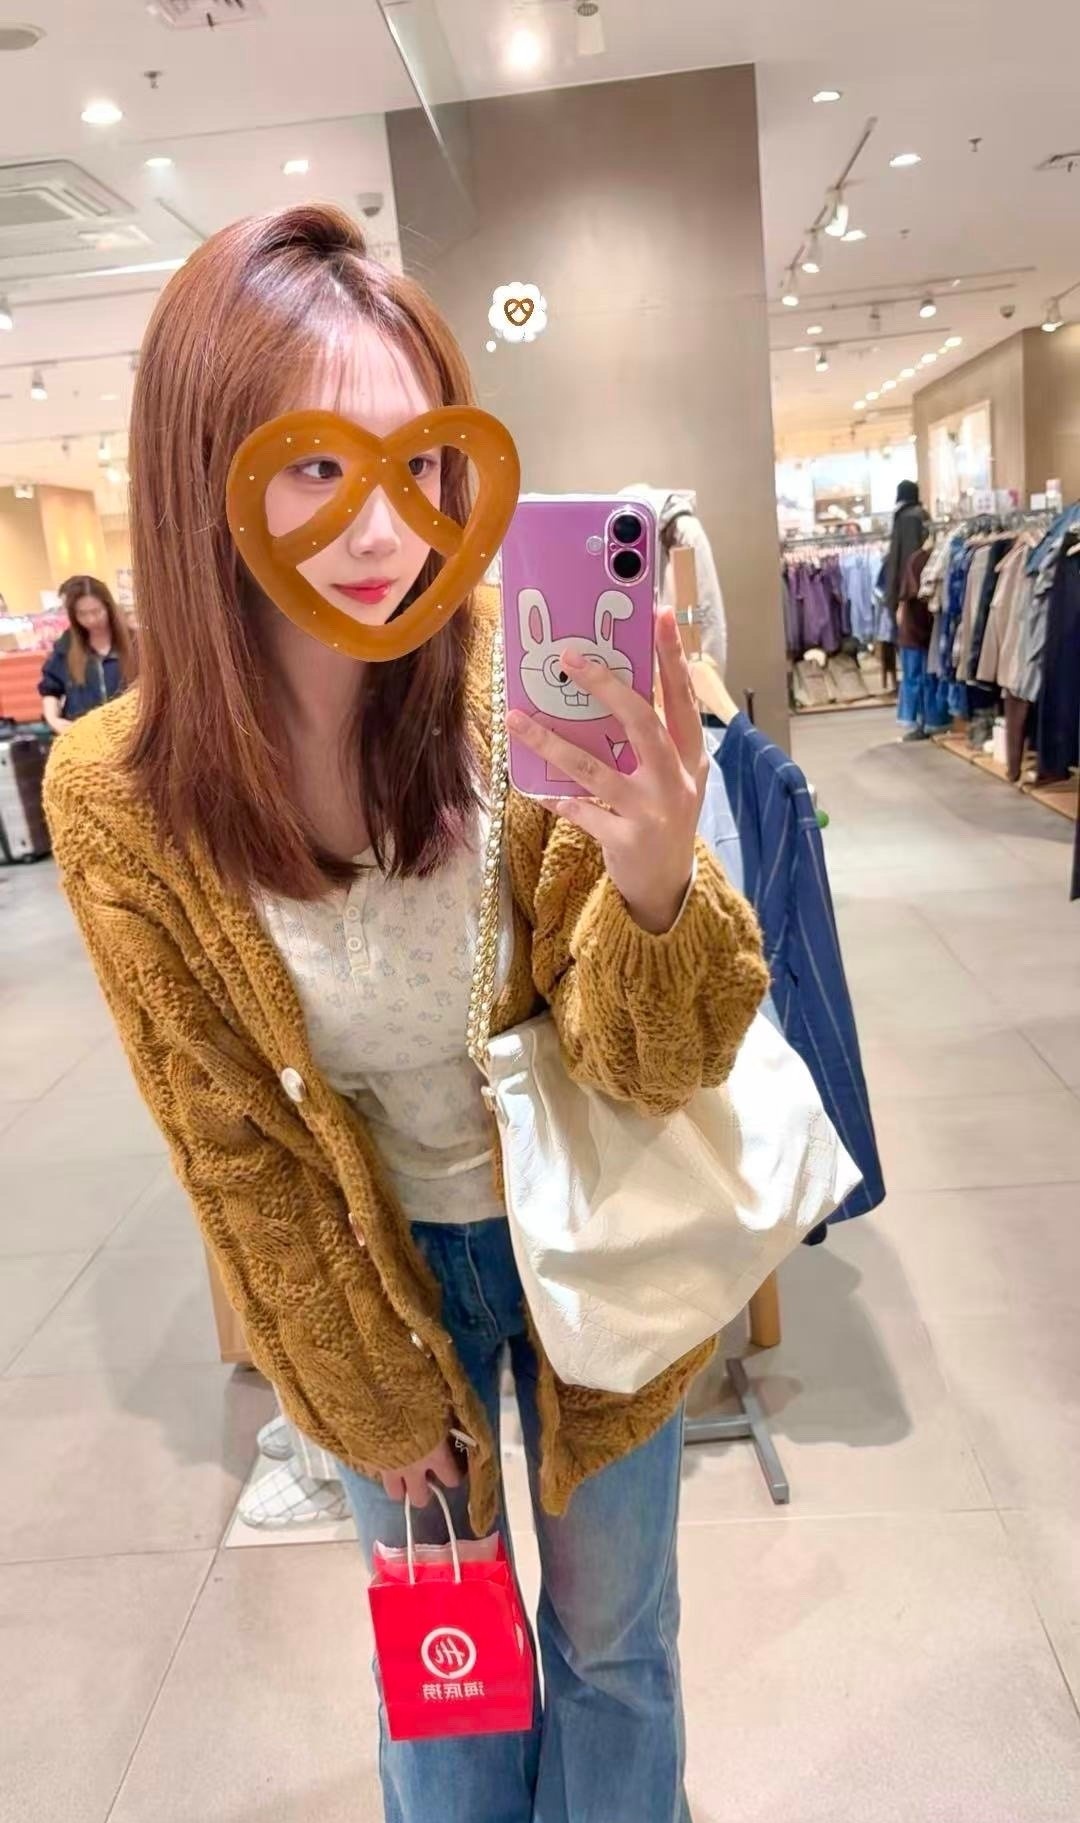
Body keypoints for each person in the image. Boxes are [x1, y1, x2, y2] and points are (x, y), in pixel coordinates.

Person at [44, 204, 768, 1823]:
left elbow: (656, 1058)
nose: (385, 522)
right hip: (378, 1278)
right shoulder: (118, 794)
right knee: (450, 1684)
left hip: (596, 1233)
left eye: (420, 458)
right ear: (202, 476)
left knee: (616, 1647)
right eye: (315, 464)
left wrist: (658, 879)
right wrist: (361, 1393)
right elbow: (232, 1139)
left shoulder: (525, 683)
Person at [37, 574, 135, 734]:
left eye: (97, 611)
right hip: (82, 735)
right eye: (82, 614)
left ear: (108, 607)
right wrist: (53, 720)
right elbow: (50, 689)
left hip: (127, 734)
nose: (91, 620)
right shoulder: (66, 645)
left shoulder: (134, 641)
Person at [878, 479, 931, 695]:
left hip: (908, 594)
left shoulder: (906, 518)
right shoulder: (922, 515)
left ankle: (914, 700)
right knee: (922, 648)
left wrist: (895, 597)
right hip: (923, 590)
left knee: (910, 647)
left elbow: (904, 560)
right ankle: (922, 697)